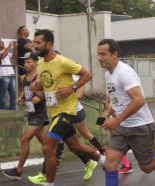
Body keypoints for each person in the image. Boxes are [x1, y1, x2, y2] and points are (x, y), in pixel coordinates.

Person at [97, 39, 155, 186]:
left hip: (140, 126)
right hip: (122, 128)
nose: (100, 58)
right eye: (98, 54)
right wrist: (108, 113)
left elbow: (139, 100)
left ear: (115, 54)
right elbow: (116, 98)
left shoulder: (124, 73)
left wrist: (117, 120)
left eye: (103, 54)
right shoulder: (108, 74)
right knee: (110, 165)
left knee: (147, 167)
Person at [33, 29, 104, 185]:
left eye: (38, 42)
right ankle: (106, 162)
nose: (34, 46)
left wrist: (72, 88)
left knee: (47, 147)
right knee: (76, 146)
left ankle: (49, 183)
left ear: (49, 44)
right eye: (34, 42)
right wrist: (37, 86)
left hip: (67, 111)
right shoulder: (40, 63)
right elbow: (45, 84)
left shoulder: (63, 62)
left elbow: (87, 75)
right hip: (53, 111)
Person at [2, 52, 49, 180]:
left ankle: (18, 170)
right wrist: (20, 98)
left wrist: (40, 98)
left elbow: (48, 94)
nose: (26, 64)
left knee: (25, 139)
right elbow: (25, 91)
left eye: (29, 62)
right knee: (46, 143)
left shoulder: (41, 77)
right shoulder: (24, 77)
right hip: (30, 112)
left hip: (40, 113)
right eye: (25, 62)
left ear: (36, 62)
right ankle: (54, 159)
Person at [0, 40, 16, 110]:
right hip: (3, 76)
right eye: (0, 42)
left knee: (13, 94)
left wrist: (15, 47)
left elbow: (14, 56)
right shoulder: (4, 52)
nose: (2, 42)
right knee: (3, 95)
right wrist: (9, 47)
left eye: (2, 41)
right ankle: (2, 111)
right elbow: (2, 56)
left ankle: (13, 110)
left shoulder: (5, 52)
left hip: (11, 75)